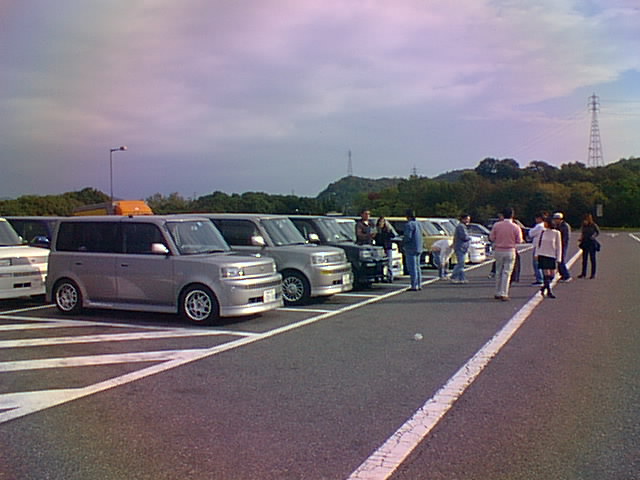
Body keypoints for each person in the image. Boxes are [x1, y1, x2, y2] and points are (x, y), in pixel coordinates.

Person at [489, 207, 523, 301]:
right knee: (507, 272)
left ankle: (497, 292)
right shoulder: (515, 227)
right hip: (510, 250)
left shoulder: (497, 225)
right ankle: (504, 293)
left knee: (498, 271)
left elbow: (491, 238)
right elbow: (519, 240)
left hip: (498, 250)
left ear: (503, 215)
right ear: (512, 215)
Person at [535, 216, 562, 298]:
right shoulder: (542, 232)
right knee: (546, 273)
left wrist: (559, 258)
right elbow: (538, 244)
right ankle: (549, 291)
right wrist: (536, 254)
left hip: (552, 255)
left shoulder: (556, 233)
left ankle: (543, 288)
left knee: (552, 275)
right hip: (543, 254)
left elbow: (559, 246)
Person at [402, 209, 423, 291]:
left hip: (411, 248)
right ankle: (419, 284)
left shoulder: (409, 225)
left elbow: (408, 237)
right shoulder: (418, 224)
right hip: (419, 247)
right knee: (418, 267)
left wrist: (403, 241)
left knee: (412, 267)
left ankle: (414, 285)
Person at [577, 213, 600, 279]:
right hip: (585, 242)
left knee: (592, 259)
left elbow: (597, 232)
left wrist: (593, 236)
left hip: (591, 243)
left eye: (586, 220)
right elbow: (582, 233)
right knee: (584, 259)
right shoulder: (584, 226)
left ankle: (593, 274)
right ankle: (583, 273)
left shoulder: (593, 225)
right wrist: (581, 238)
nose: (585, 221)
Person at [451, 214, 471, 284]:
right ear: (463, 219)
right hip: (460, 247)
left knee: (461, 263)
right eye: (467, 219)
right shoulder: (461, 227)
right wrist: (469, 238)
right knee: (460, 263)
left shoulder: (462, 226)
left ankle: (461, 278)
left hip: (462, 247)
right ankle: (454, 277)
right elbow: (464, 237)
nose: (468, 221)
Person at [553, 212, 572, 282]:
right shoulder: (557, 226)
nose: (555, 220)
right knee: (558, 260)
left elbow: (566, 237)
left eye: (556, 219)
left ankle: (566, 276)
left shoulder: (565, 226)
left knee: (561, 260)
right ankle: (562, 275)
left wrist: (562, 244)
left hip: (563, 245)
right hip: (557, 245)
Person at [527, 212, 546, 286]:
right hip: (543, 246)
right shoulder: (545, 225)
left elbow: (531, 233)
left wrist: (529, 231)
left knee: (536, 263)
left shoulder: (539, 226)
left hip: (538, 246)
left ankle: (540, 279)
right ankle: (543, 278)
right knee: (542, 263)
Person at [375, 216, 395, 282]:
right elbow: (376, 238)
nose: (381, 223)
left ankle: (390, 277)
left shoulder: (387, 230)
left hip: (388, 247)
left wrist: (389, 229)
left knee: (389, 263)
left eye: (383, 222)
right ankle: (380, 277)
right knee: (380, 264)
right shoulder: (377, 230)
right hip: (380, 248)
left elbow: (393, 235)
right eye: (380, 222)